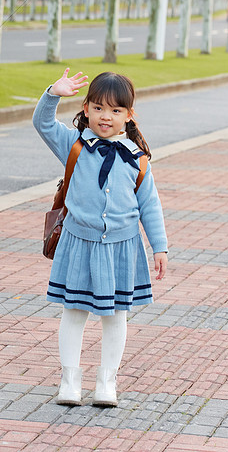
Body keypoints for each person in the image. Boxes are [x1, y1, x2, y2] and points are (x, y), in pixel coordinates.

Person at [33, 69, 168, 408]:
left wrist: (159, 247)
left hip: (122, 247)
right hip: (79, 242)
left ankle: (107, 382)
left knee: (115, 316)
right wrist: (53, 93)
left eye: (116, 110)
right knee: (74, 312)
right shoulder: (74, 146)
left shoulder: (137, 159)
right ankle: (70, 379)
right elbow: (43, 124)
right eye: (98, 108)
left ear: (129, 115)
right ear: (87, 108)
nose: (106, 116)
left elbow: (150, 204)